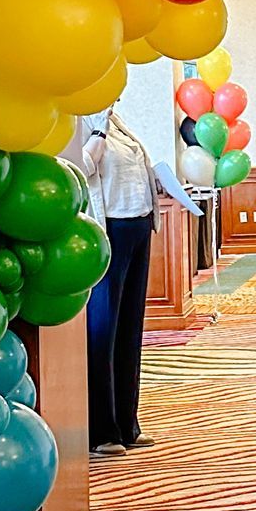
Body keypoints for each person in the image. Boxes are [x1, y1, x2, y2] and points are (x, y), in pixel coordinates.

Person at [83, 110, 157, 454]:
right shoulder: (77, 121)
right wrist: (97, 131)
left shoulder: (119, 121)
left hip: (138, 226)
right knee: (103, 330)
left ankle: (128, 423)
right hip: (108, 230)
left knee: (130, 330)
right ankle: (102, 430)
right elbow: (79, 170)